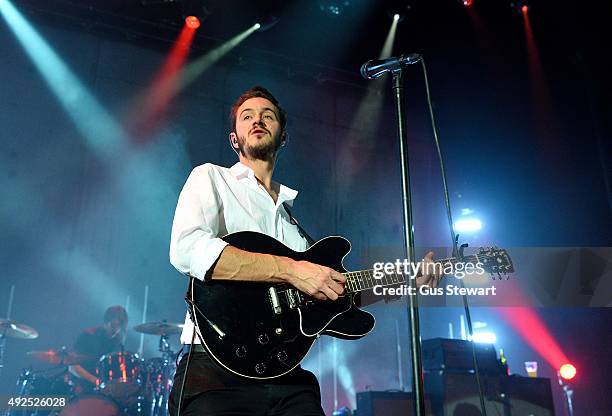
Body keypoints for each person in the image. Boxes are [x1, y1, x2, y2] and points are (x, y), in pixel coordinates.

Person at [167, 86, 440, 415]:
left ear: (282, 137)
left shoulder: (295, 231)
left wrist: (407, 280)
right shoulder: (212, 178)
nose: (258, 120)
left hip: (285, 376)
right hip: (216, 369)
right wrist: (292, 270)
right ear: (234, 139)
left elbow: (334, 292)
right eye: (247, 116)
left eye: (268, 116)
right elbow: (187, 248)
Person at [69, 305, 128, 388]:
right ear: (106, 322)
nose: (116, 331)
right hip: (82, 386)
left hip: (103, 390)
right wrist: (96, 382)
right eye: (113, 326)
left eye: (119, 327)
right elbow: (72, 366)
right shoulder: (87, 335)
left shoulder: (117, 344)